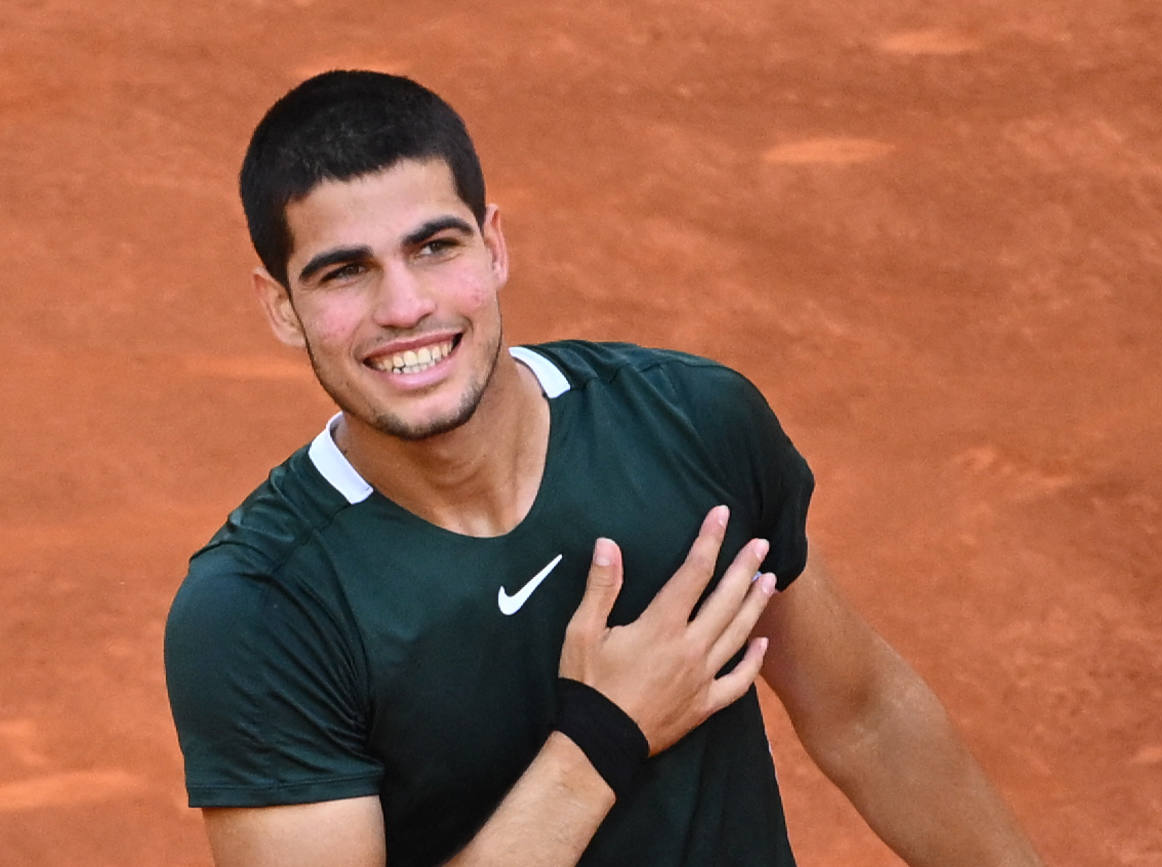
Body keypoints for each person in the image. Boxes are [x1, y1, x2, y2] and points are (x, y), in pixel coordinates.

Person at [164, 69, 1043, 866]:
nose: (406, 307)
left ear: (494, 246)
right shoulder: (259, 612)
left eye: (437, 247)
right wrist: (602, 738)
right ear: (282, 308)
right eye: (344, 272)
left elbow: (866, 716)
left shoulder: (687, 425)